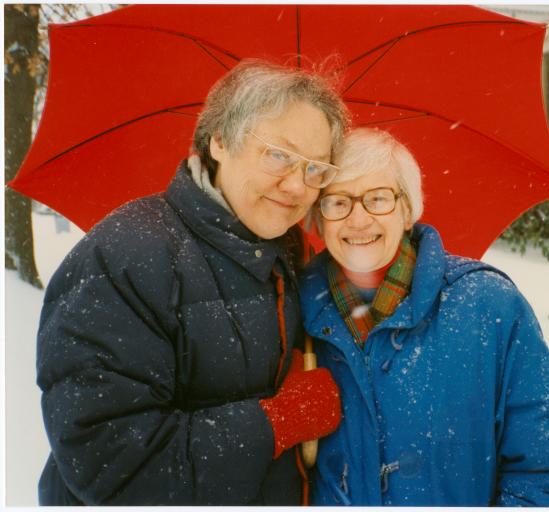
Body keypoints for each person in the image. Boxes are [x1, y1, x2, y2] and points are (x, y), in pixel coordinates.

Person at [36, 59, 348, 505]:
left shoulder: (292, 257)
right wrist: (277, 421)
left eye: (316, 169)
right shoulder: (127, 255)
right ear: (219, 140)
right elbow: (113, 465)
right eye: (279, 155)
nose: (298, 186)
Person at [299, 128, 549, 506]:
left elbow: (545, 469)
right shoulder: (294, 312)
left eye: (378, 199)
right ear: (318, 217)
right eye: (337, 203)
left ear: (406, 210)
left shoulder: (488, 304)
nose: (358, 219)